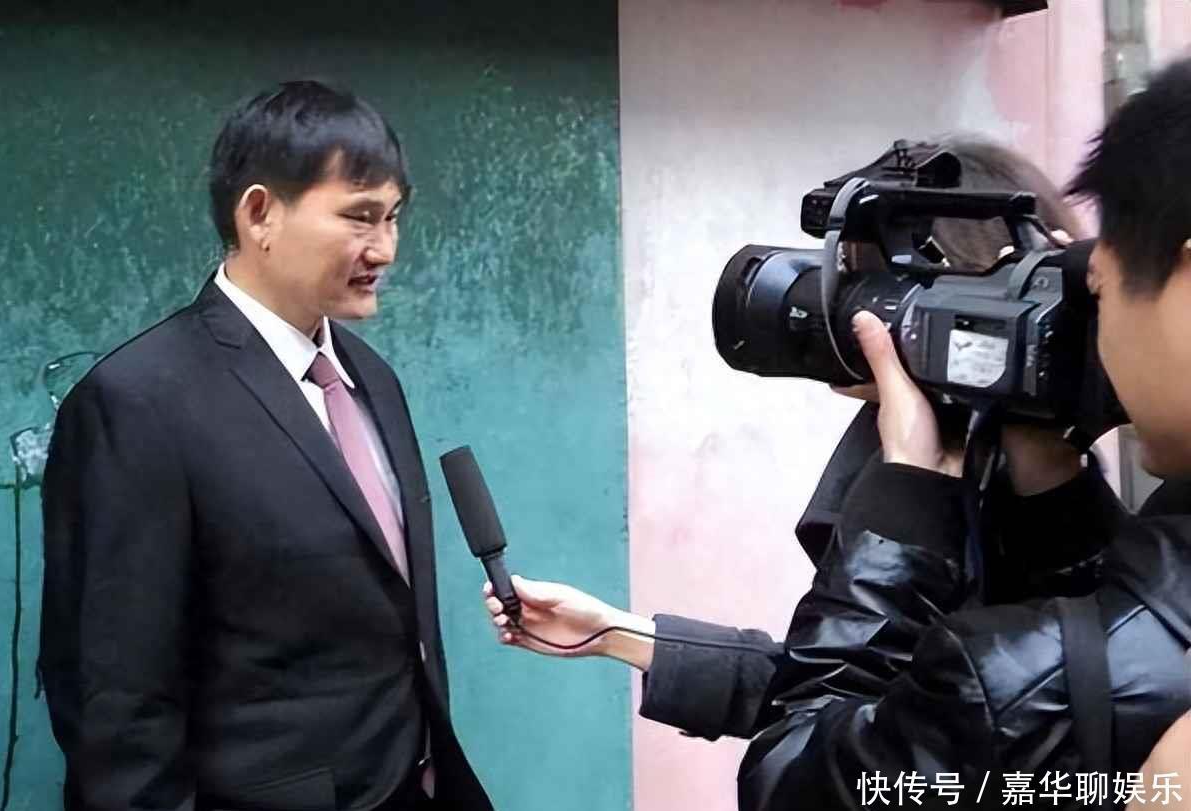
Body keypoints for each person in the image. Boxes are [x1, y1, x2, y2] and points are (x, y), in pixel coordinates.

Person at [488, 57, 1191, 808]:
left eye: (871, 286)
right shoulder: (1045, 479)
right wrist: (627, 635)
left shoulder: (945, 468)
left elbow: (878, 735)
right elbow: (920, 705)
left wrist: (911, 499)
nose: (849, 318)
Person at [39, 81, 492, 811]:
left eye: (393, 217)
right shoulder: (137, 401)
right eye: (359, 217)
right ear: (260, 214)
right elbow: (116, 703)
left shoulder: (372, 378)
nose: (385, 248)